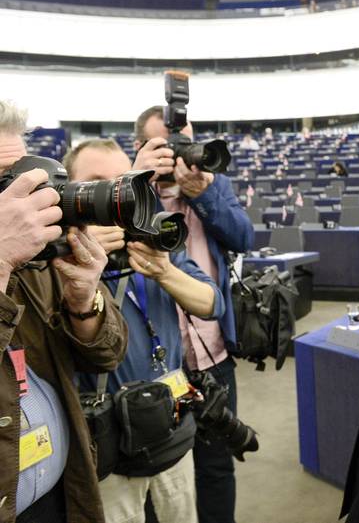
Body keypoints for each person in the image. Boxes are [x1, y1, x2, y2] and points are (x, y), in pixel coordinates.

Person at [64, 139, 225, 523]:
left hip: (172, 428)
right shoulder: (58, 257)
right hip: (109, 444)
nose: (112, 194)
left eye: (122, 181)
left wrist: (165, 271)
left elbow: (212, 303)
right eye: (96, 183)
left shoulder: (153, 236)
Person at [0, 101, 127, 522]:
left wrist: (83, 301)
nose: (20, 206)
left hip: (62, 497)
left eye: (19, 181)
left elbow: (107, 355)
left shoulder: (41, 260)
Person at [133, 106, 254, 523]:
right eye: (171, 146)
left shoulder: (213, 187)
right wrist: (138, 180)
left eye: (188, 142)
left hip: (213, 356)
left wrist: (204, 195)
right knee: (157, 476)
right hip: (156, 367)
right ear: (143, 148)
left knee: (217, 465)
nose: (185, 155)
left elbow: (243, 236)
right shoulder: (130, 195)